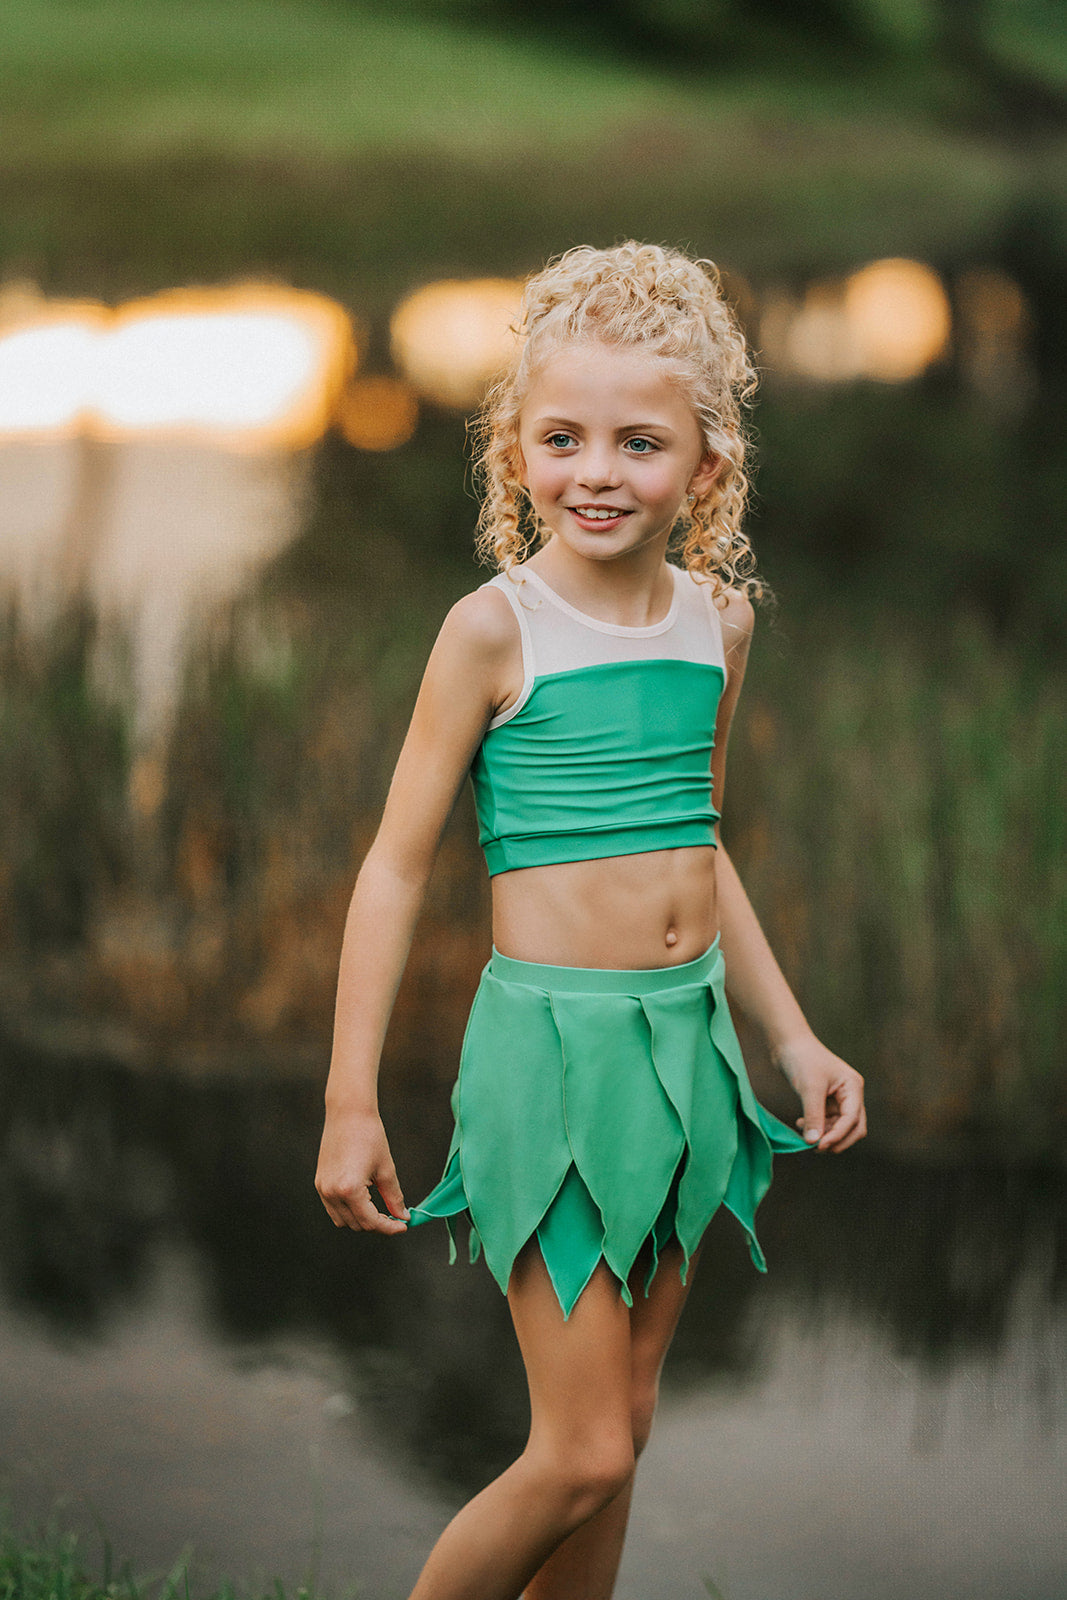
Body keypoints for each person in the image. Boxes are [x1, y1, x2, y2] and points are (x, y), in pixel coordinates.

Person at [315, 241, 867, 1600]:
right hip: (553, 1065)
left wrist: (792, 1038)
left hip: (689, 1059)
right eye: (562, 439)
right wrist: (349, 1101)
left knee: (625, 1428)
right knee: (578, 1452)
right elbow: (393, 868)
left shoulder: (716, 622)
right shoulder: (492, 631)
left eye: (640, 442)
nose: (597, 473)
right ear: (516, 454)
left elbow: (700, 845)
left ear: (708, 466)